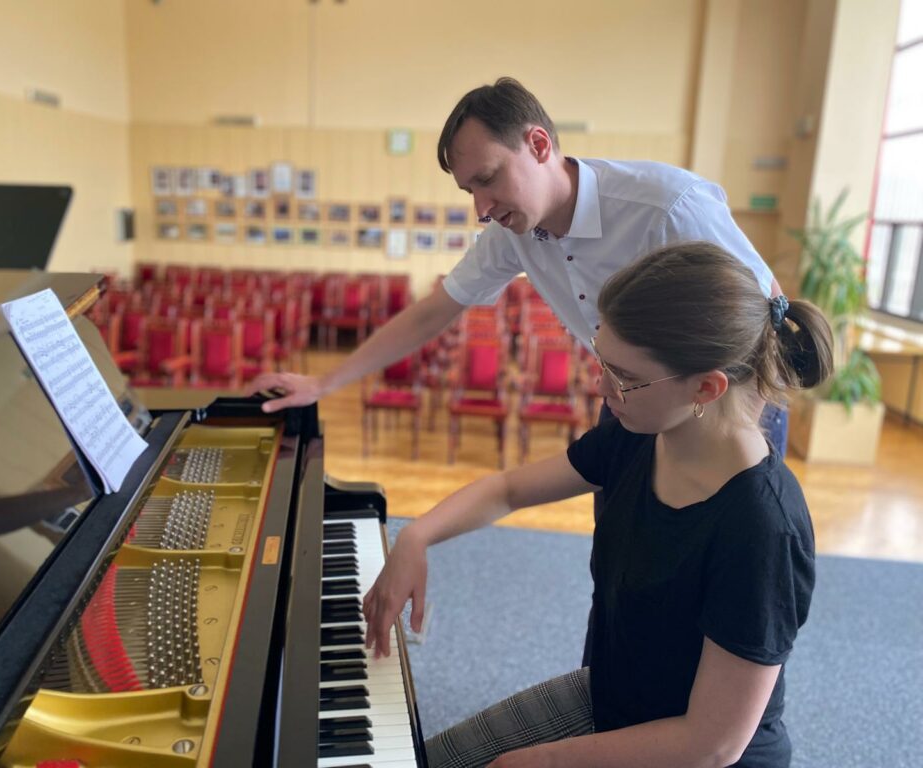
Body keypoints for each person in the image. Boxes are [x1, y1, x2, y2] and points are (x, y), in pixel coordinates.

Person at [363, 242, 833, 768]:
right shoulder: (638, 433)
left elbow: (711, 744)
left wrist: (546, 760)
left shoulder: (764, 528)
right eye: (602, 360)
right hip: (611, 699)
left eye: (626, 377)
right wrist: (415, 536)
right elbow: (508, 490)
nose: (599, 385)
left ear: (705, 387)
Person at [241, 75, 787, 452]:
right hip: (629, 403)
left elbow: (767, 320)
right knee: (621, 573)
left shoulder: (667, 205)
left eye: (488, 179)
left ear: (539, 144)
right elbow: (435, 311)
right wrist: (324, 383)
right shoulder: (515, 229)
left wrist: (742, 443)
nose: (481, 208)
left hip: (726, 412)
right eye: (468, 190)